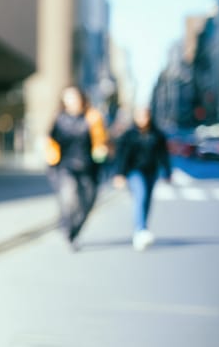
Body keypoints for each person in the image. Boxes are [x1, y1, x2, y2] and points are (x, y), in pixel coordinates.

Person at [45, 85, 108, 250]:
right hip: (66, 166)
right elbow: (51, 141)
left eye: (74, 97)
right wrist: (51, 159)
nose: (72, 101)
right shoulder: (59, 119)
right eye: (68, 98)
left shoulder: (92, 117)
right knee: (69, 197)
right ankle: (68, 230)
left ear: (82, 99)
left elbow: (101, 141)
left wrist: (101, 150)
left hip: (89, 167)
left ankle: (73, 229)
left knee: (87, 202)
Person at [112, 107, 172, 251]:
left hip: (151, 172)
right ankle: (141, 229)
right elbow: (122, 156)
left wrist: (167, 172)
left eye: (145, 116)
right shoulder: (129, 135)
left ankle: (141, 229)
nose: (143, 120)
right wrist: (119, 174)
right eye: (140, 116)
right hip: (134, 172)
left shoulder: (157, 135)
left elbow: (163, 155)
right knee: (141, 194)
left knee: (147, 200)